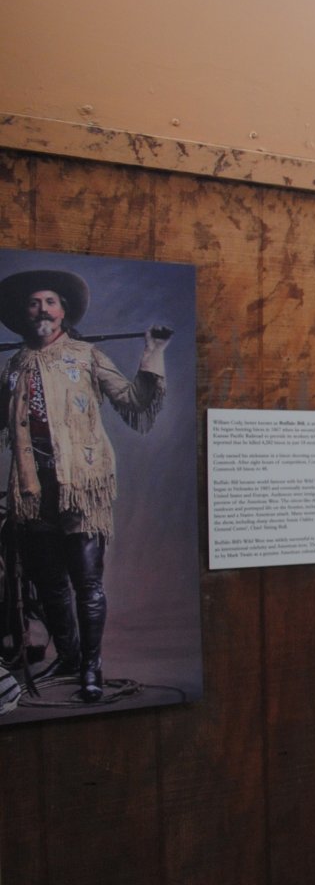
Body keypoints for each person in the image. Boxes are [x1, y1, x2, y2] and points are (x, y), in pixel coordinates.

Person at [0, 269, 172, 703]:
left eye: (50, 302)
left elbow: (134, 400)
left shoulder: (87, 356)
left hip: (81, 485)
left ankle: (92, 669)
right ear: (24, 315)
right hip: (31, 487)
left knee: (86, 583)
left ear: (64, 312)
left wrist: (153, 351)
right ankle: (71, 657)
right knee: (50, 582)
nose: (42, 309)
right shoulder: (14, 365)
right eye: (34, 303)